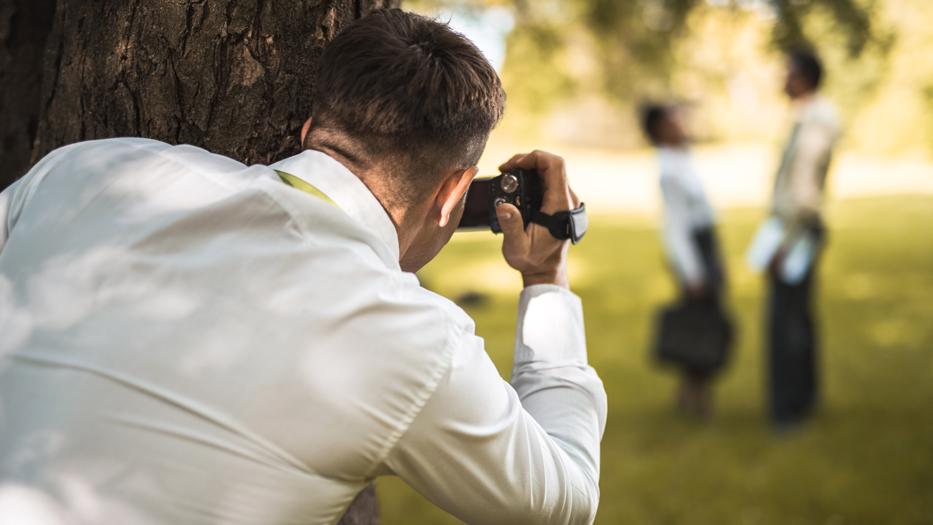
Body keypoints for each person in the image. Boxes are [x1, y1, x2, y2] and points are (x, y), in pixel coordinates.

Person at [0, 9, 605, 525]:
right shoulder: (413, 341)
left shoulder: (91, 169)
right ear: (454, 192)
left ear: (312, 131)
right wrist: (545, 279)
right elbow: (566, 498)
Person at [763, 50, 841, 429]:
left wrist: (784, 243)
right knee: (800, 317)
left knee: (786, 320)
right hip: (796, 228)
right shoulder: (808, 115)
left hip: (798, 231)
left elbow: (805, 188)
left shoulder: (817, 119)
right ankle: (805, 400)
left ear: (805, 75)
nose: (782, 77)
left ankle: (788, 410)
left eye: (788, 70)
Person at [643, 104, 728, 417]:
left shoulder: (683, 158)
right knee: (700, 321)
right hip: (695, 249)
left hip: (706, 243)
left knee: (707, 318)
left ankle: (691, 393)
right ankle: (695, 396)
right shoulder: (669, 169)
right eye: (672, 118)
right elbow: (676, 225)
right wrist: (693, 272)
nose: (680, 122)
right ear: (660, 129)